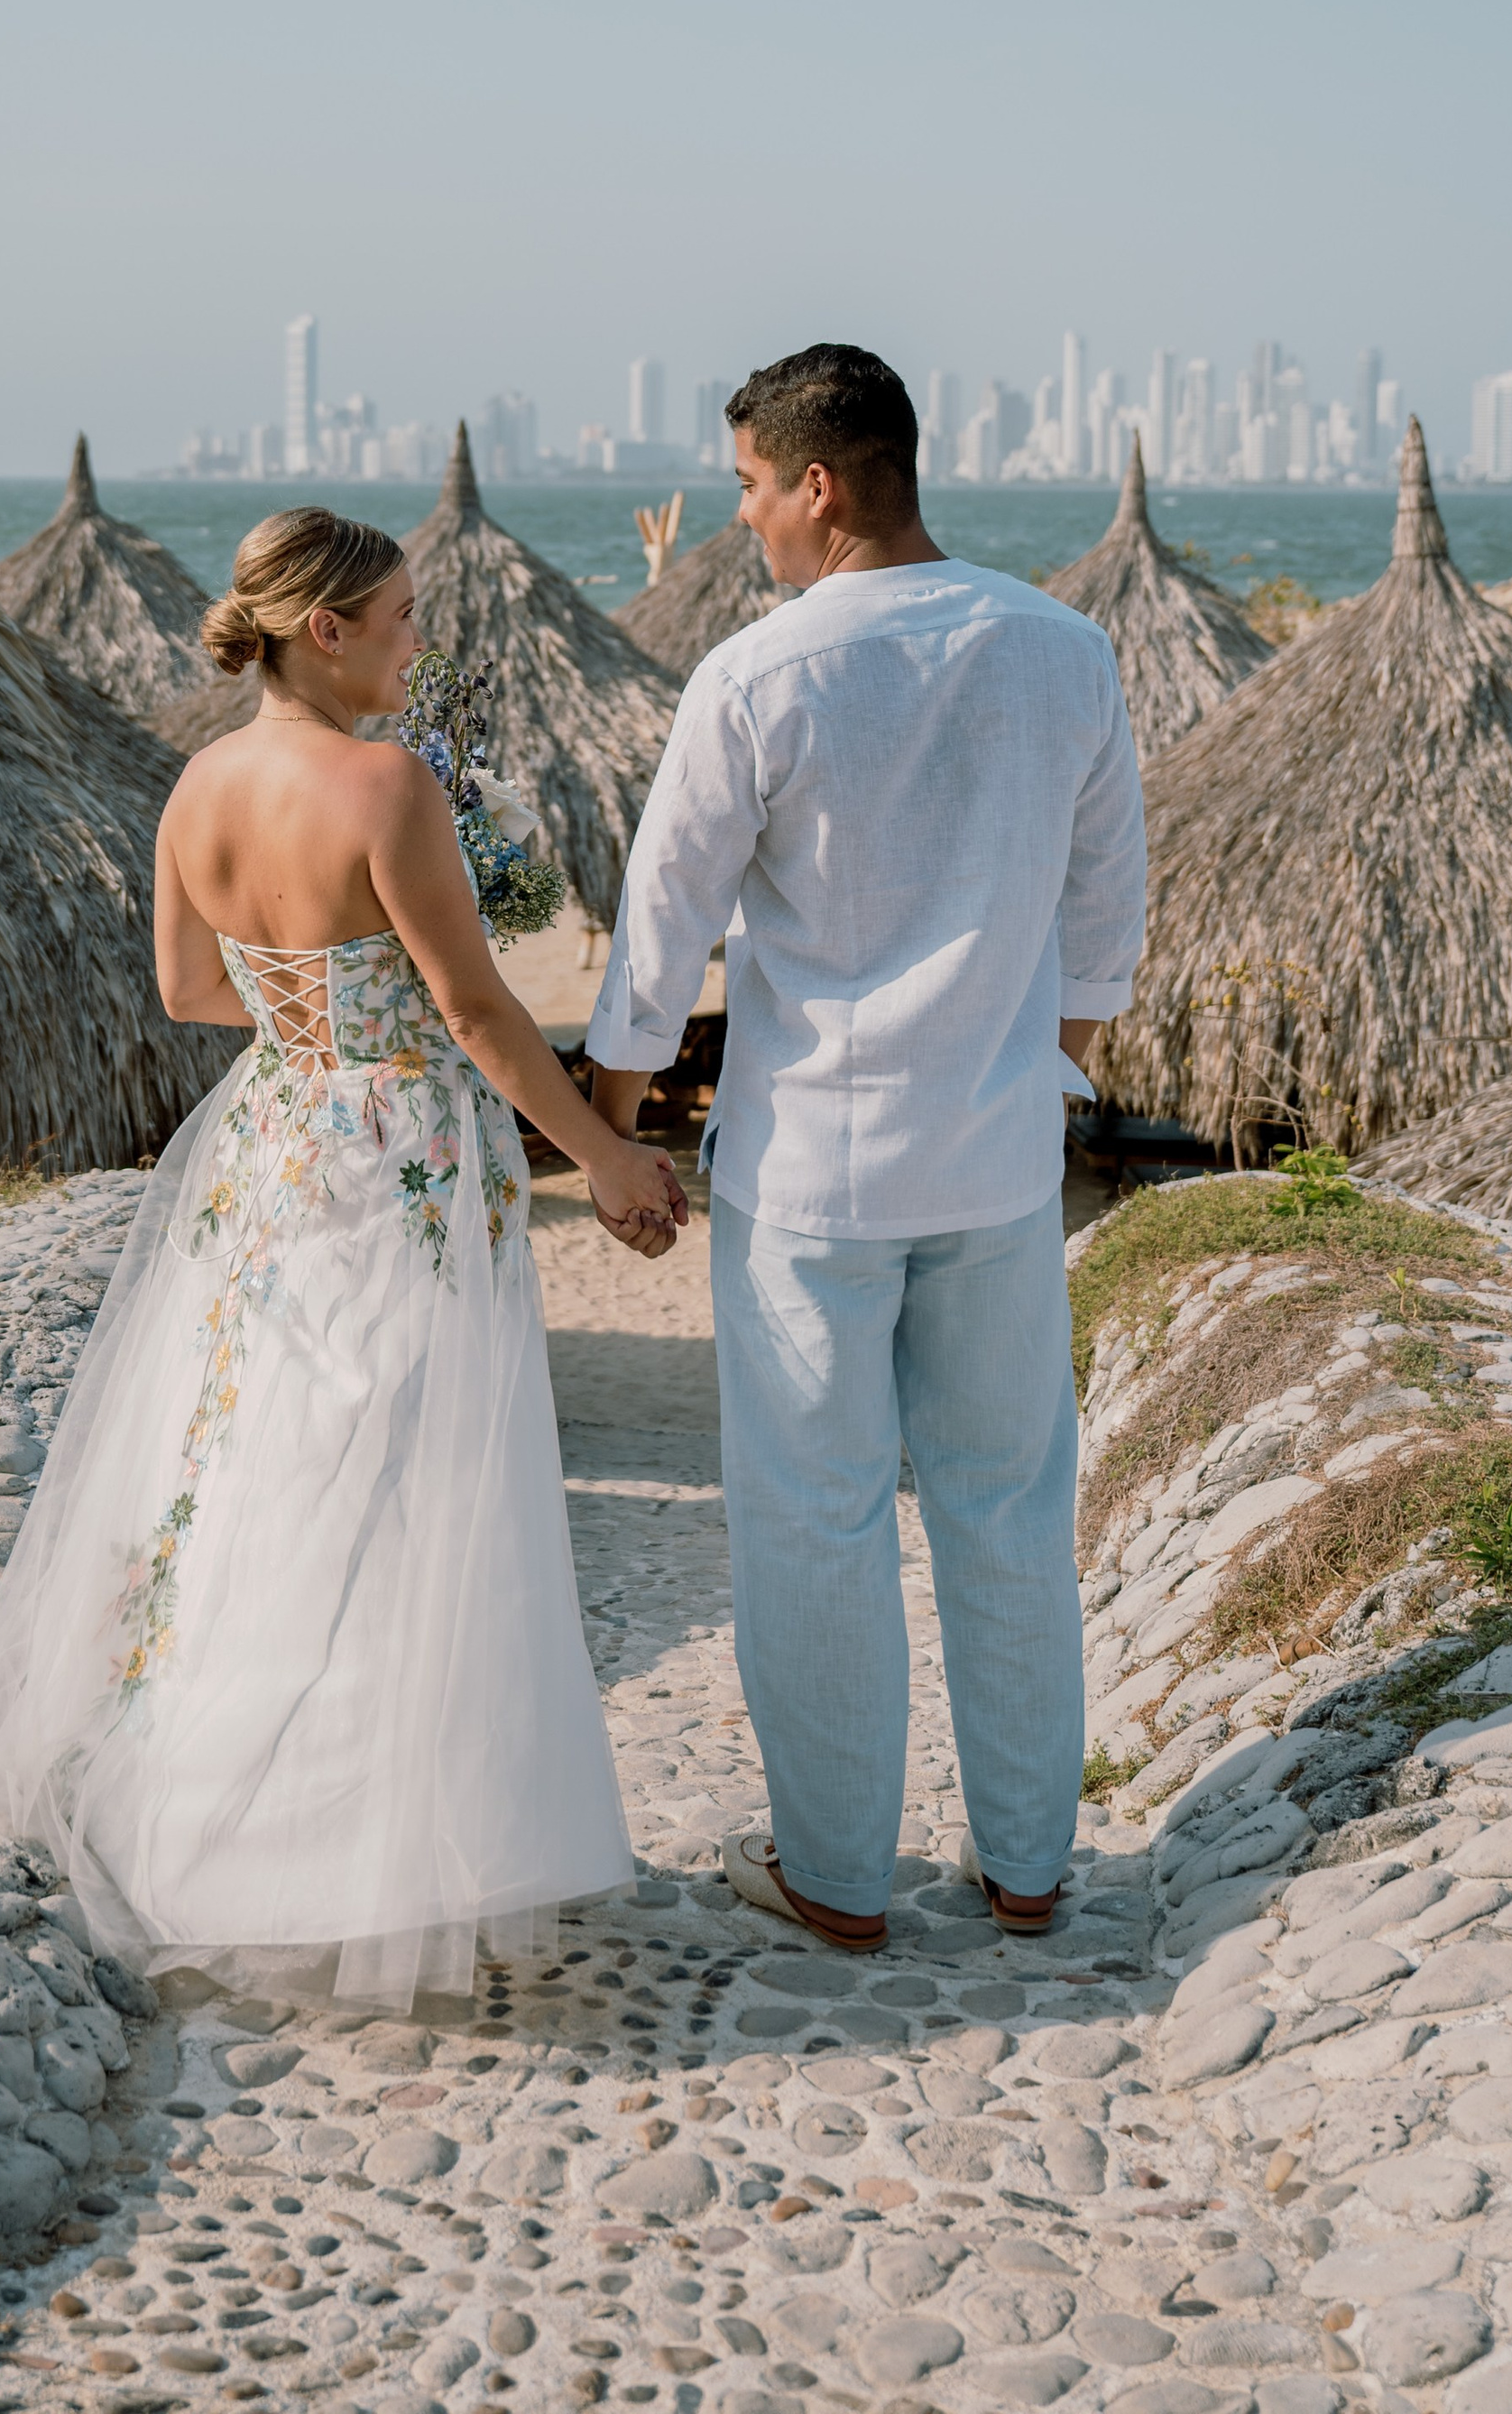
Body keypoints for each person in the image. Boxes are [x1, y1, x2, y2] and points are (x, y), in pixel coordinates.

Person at [0, 507, 685, 2007]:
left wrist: (318, 1014)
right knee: (410, 1477)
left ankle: (218, 1834)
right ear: (324, 629)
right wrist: (604, 1158)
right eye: (402, 617)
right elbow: (475, 1012)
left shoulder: (197, 787)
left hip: (275, 1144)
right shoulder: (387, 785)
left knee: (264, 1461)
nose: (421, 641)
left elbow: (186, 986)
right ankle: (383, 1855)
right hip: (405, 1152)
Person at [585, 345, 1146, 1952]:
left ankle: (835, 1878)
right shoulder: (1065, 650)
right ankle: (1027, 1864)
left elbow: (662, 929)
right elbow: (1108, 911)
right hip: (998, 1165)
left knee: (815, 1521)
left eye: (752, 486)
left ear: (819, 484)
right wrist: (1042, 1080)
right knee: (1009, 1507)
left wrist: (614, 1138)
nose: (745, 517)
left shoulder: (757, 676)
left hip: (813, 1179)